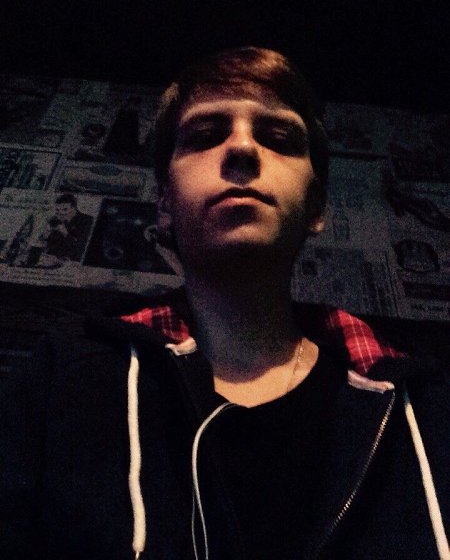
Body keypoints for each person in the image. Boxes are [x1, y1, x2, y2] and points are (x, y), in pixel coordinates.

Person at [1, 47, 448, 560]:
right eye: (204, 135)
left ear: (316, 207)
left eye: (279, 138)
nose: (242, 148)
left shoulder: (426, 407)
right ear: (165, 201)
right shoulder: (64, 376)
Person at [39, 193, 93, 262]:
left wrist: (65, 233)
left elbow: (82, 250)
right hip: (53, 260)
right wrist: (46, 234)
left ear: (74, 208)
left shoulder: (88, 221)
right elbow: (45, 244)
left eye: (65, 209)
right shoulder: (54, 220)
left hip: (73, 263)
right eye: (57, 210)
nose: (61, 213)